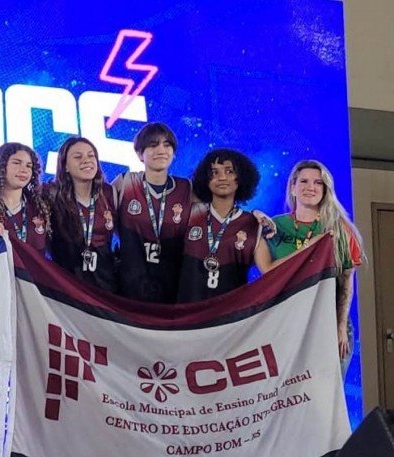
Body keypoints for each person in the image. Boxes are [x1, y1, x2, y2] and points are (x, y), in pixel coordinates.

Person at [267, 160, 365, 376]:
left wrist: (340, 327)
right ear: (293, 187)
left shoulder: (339, 229)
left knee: (327, 397)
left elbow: (347, 280)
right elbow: (267, 272)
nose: (310, 187)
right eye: (303, 181)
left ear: (325, 189)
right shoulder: (275, 226)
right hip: (287, 322)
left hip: (327, 322)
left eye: (318, 183)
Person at [177, 149, 274, 302]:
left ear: (241, 177)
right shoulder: (188, 213)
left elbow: (270, 270)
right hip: (185, 315)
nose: (222, 177)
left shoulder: (252, 224)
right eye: (214, 172)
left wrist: (312, 247)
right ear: (205, 179)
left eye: (229, 171)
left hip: (230, 320)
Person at [112, 123, 192, 303]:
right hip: (129, 285)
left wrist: (257, 216)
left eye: (167, 144)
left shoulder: (186, 188)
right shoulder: (124, 183)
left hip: (172, 287)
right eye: (153, 145)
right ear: (140, 154)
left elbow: (218, 218)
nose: (161, 150)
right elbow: (97, 213)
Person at [46, 137, 118, 292]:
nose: (86, 160)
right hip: (66, 287)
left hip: (106, 287)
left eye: (91, 156)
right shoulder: (50, 195)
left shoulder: (108, 193)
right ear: (65, 166)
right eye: (78, 157)